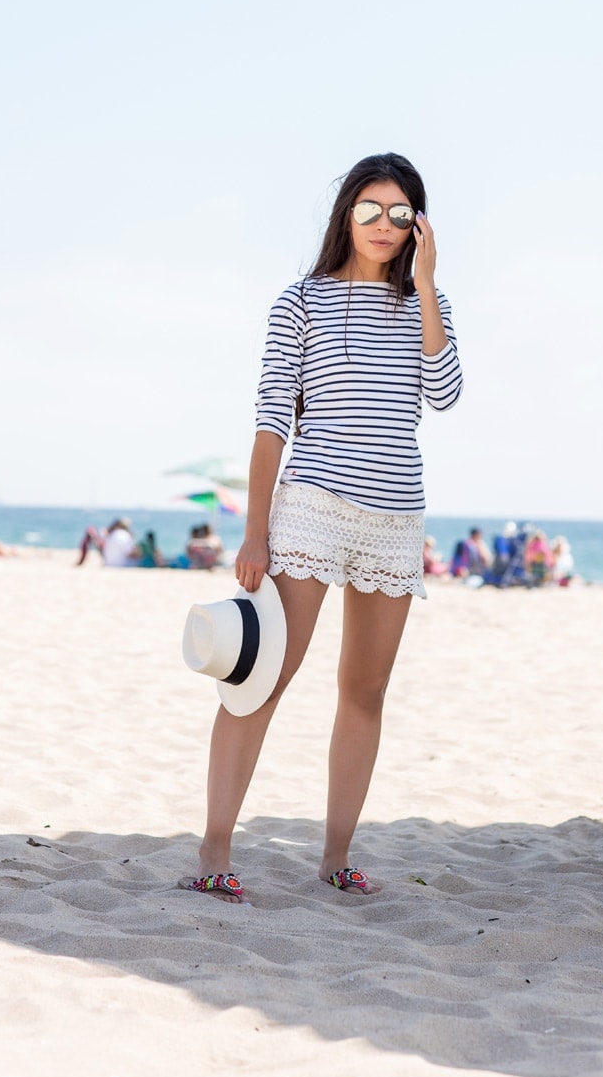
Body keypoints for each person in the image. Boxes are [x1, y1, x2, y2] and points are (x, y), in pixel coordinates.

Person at [184, 152, 463, 904]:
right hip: (311, 505)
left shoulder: (422, 306)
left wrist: (429, 285)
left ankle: (336, 857)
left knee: (364, 691)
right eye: (370, 208)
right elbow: (273, 418)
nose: (383, 224)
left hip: (396, 516)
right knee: (261, 677)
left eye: (400, 213)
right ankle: (215, 850)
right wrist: (254, 530)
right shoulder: (300, 301)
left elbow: (445, 392)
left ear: (418, 226)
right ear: (346, 212)